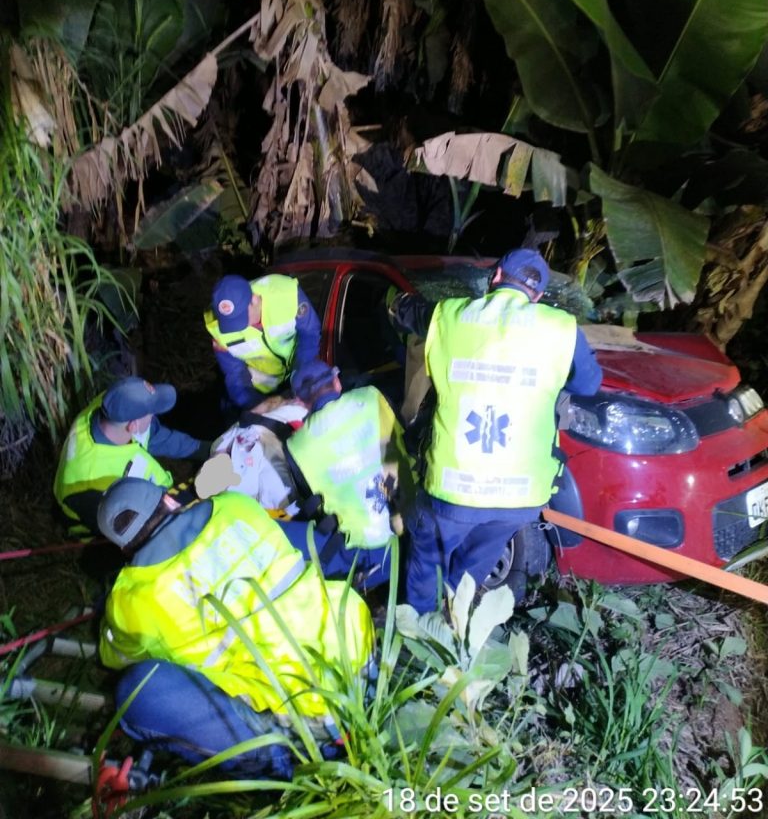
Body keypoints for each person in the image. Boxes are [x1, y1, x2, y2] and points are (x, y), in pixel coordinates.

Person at [97, 478, 375, 778]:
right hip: (361, 663)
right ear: (169, 500)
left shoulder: (132, 598)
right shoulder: (235, 505)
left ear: (124, 547)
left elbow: (114, 657)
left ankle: (282, 768)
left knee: (137, 690)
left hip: (304, 727)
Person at [389, 248, 603, 614]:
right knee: (469, 575)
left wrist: (397, 303)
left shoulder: (452, 315)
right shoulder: (562, 329)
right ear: (538, 295)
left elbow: (408, 312)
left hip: (453, 489)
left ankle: (419, 635)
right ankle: (454, 620)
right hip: (519, 497)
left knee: (427, 569)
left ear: (497, 277)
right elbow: (588, 384)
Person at [280, 361, 416, 590]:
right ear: (337, 382)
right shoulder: (371, 397)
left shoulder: (296, 446)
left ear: (301, 403)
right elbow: (403, 436)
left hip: (365, 550)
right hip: (412, 528)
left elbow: (310, 496)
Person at [54, 377, 209, 537]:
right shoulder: (92, 482)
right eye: (151, 413)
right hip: (111, 530)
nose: (153, 416)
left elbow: (156, 436)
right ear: (133, 426)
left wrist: (206, 449)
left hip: (153, 495)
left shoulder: (112, 407)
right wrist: (195, 491)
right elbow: (138, 529)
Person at [204, 273, 322, 412]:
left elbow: (310, 335)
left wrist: (300, 375)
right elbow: (234, 375)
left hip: (298, 373)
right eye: (232, 323)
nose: (240, 327)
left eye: (242, 318)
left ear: (254, 300)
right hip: (261, 391)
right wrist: (259, 405)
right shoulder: (217, 329)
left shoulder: (285, 294)